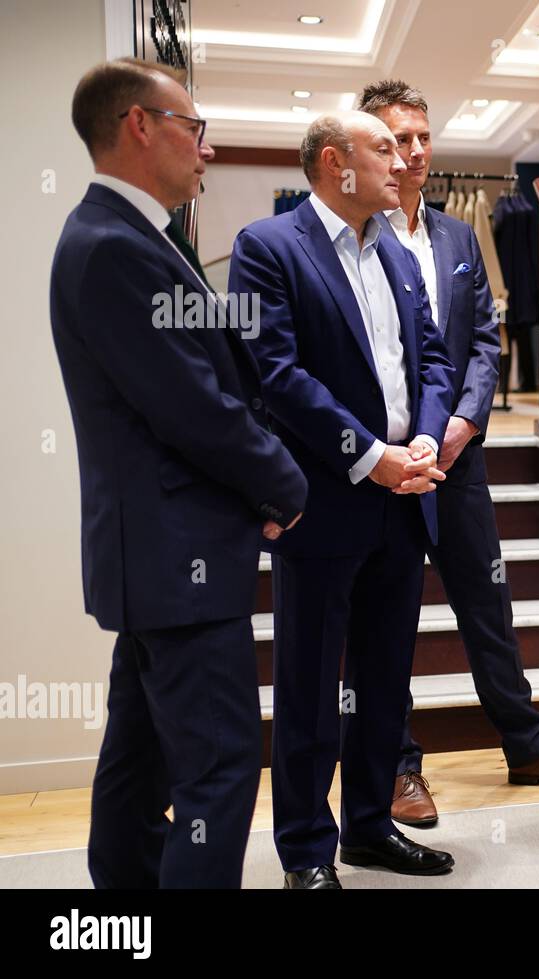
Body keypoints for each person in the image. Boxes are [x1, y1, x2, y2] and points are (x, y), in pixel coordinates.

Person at [51, 58, 307, 888]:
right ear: (139, 126)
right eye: (194, 128)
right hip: (178, 556)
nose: (206, 147)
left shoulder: (129, 238)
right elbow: (194, 408)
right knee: (222, 768)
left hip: (162, 559)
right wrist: (285, 483)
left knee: (140, 761)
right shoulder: (113, 248)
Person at [358, 80, 539, 829]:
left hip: (457, 459)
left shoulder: (457, 238)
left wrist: (467, 421)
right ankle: (398, 764)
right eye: (395, 139)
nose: (412, 152)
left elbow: (481, 342)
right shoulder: (352, 239)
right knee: (388, 622)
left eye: (420, 136)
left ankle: (528, 743)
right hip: (384, 468)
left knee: (487, 604)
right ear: (369, 147)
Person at [227, 111, 458, 889]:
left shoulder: (392, 245)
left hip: (406, 497)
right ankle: (304, 851)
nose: (405, 161)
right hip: (325, 500)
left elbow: (429, 353)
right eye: (385, 148)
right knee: (309, 688)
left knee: (385, 679)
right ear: (336, 163)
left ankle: (367, 828)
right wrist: (374, 457)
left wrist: (424, 440)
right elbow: (278, 374)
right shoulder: (268, 247)